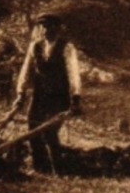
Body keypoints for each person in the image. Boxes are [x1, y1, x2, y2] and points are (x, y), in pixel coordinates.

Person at [14, 10, 83, 175]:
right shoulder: (35, 46)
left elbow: (74, 74)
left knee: (50, 133)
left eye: (49, 27)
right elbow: (26, 71)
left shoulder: (67, 48)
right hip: (39, 96)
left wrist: (76, 98)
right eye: (43, 27)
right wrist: (20, 94)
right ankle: (40, 169)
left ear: (58, 29)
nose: (45, 30)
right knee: (32, 129)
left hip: (59, 97)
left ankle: (58, 171)